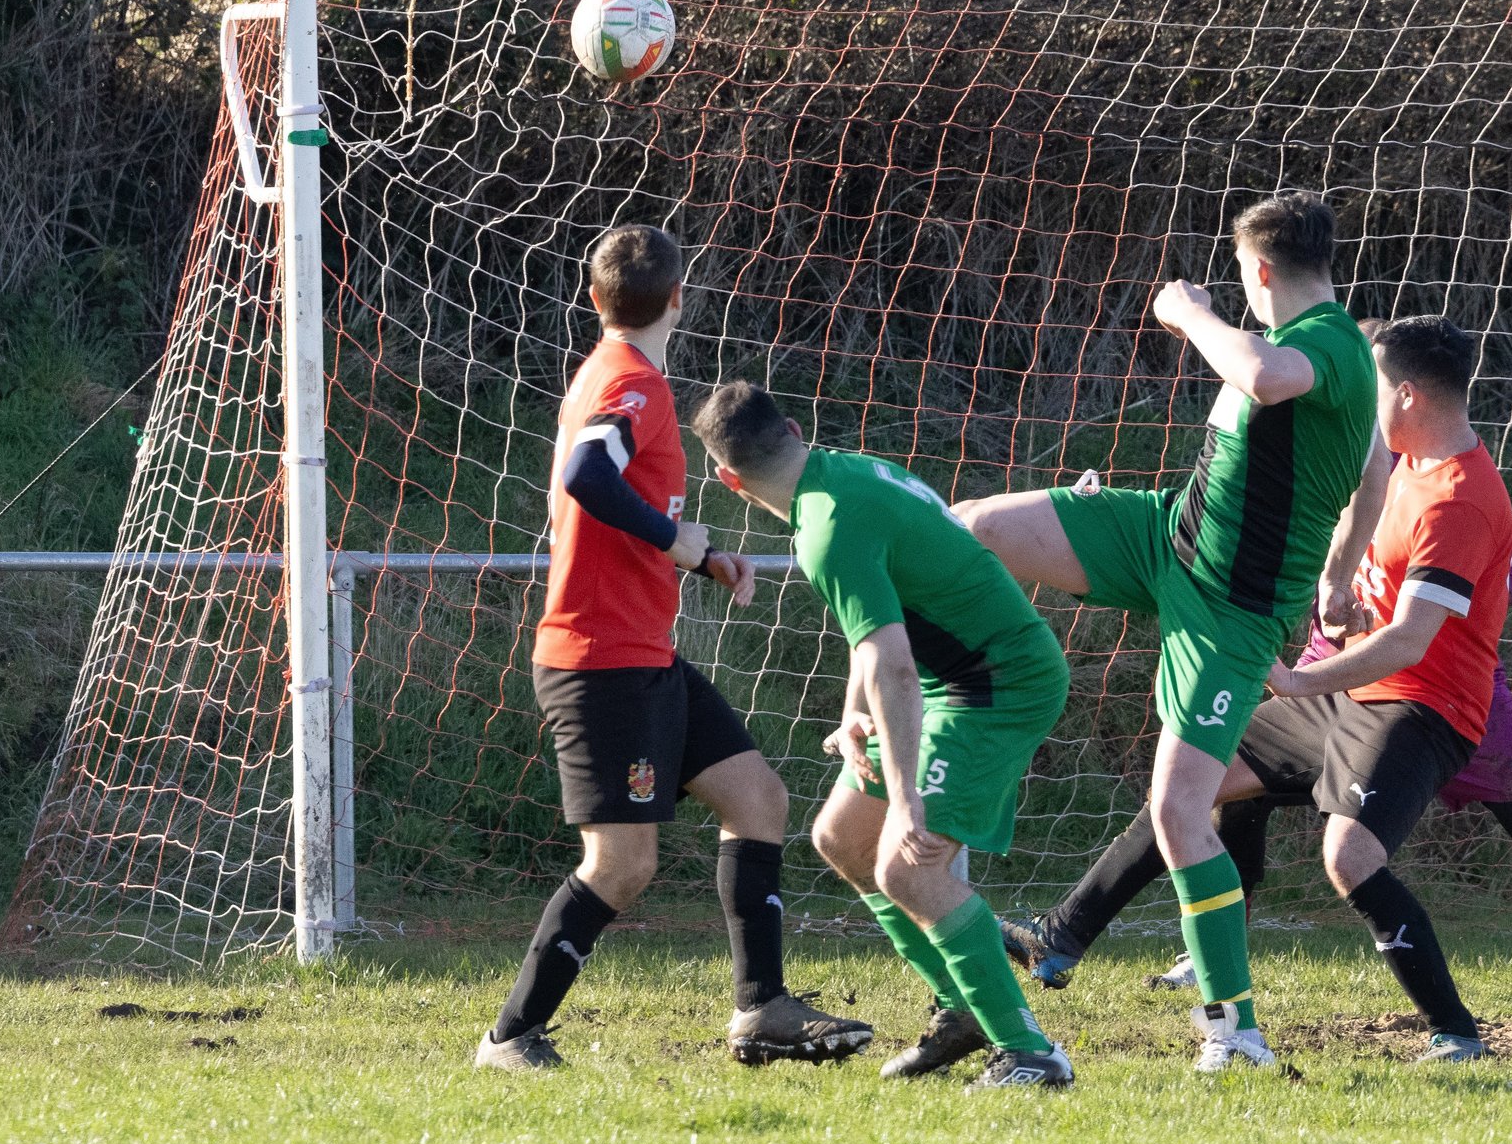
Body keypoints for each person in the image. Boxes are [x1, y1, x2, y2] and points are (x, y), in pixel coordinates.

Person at [957, 190, 1382, 1071]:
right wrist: (1341, 575)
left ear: (1258, 272)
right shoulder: (1301, 350)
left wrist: (1192, 314)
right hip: (1164, 536)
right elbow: (1374, 471)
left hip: (1231, 611)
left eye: (1240, 279)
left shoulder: (1328, 344)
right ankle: (966, 690)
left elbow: (1265, 380)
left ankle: (1236, 1032)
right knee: (971, 530)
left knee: (1181, 811)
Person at [473, 226, 872, 1072]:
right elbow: (588, 477)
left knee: (758, 799)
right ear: (682, 298)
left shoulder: (600, 374)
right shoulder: (634, 385)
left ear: (593, 299)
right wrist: (681, 541)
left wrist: (698, 556)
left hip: (642, 651)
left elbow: (592, 505)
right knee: (621, 864)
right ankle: (511, 1038)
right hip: (600, 660)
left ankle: (761, 1008)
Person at [697, 381, 1076, 1089]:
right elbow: (878, 630)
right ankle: (964, 1010)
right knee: (841, 838)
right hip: (954, 678)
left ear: (727, 480)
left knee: (908, 862)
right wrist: (852, 708)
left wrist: (906, 800)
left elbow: (895, 670)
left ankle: (1031, 1052)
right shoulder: (844, 473)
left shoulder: (824, 529)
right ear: (794, 427)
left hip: (999, 682)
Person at [1144, 556, 1512, 1003]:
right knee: (1237, 782)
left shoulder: (1455, 484)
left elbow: (1494, 582)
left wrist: (1411, 602)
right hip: (1346, 677)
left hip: (1457, 692)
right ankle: (1214, 952)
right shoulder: (1349, 481)